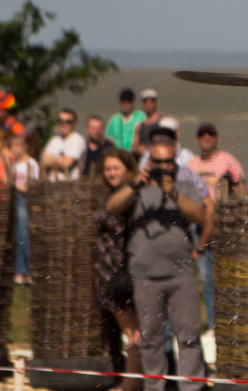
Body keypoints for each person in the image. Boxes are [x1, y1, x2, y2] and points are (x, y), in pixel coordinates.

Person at [106, 138, 207, 391]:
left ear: (175, 163)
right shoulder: (137, 189)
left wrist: (172, 192)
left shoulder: (185, 185)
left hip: (180, 275)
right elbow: (112, 206)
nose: (163, 167)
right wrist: (135, 184)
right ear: (149, 163)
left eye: (168, 162)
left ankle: (191, 388)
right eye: (158, 162)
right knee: (151, 339)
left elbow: (200, 216)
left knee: (189, 337)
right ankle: (154, 388)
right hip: (145, 277)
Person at [187, 122, 244, 335]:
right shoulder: (191, 165)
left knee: (226, 274)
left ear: (217, 138)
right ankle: (212, 324)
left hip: (223, 225)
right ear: (197, 139)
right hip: (198, 226)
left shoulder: (228, 161)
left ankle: (227, 320)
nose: (207, 137)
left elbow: (240, 190)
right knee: (205, 278)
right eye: (202, 134)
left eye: (211, 134)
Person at [95, 147, 143, 391]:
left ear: (128, 169)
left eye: (116, 168)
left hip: (122, 273)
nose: (111, 173)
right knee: (119, 333)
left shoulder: (131, 196)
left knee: (132, 333)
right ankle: (124, 379)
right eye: (107, 169)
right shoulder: (113, 193)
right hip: (106, 271)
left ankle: (130, 384)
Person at [9, 132, 39, 284]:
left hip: (24, 200)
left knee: (23, 234)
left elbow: (31, 187)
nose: (14, 150)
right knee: (16, 235)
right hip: (13, 199)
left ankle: (25, 269)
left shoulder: (31, 163)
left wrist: (14, 184)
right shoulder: (13, 164)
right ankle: (19, 270)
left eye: (16, 146)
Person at [41, 108, 87, 181]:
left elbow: (67, 164)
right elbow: (43, 160)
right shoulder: (55, 140)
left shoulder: (78, 139)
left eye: (68, 122)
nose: (64, 124)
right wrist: (60, 160)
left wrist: (52, 160)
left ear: (75, 123)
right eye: (60, 121)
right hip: (51, 185)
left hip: (70, 187)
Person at [106, 88, 143, 155]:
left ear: (133, 102)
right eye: (123, 102)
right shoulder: (114, 119)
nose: (126, 104)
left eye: (128, 102)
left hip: (135, 155)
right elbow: (109, 139)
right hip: (118, 155)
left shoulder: (141, 117)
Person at [131, 89, 163, 158]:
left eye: (152, 101)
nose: (149, 104)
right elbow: (133, 149)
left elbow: (173, 145)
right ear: (142, 104)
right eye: (146, 101)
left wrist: (148, 150)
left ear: (157, 102)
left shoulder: (164, 123)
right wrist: (138, 149)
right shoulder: (139, 126)